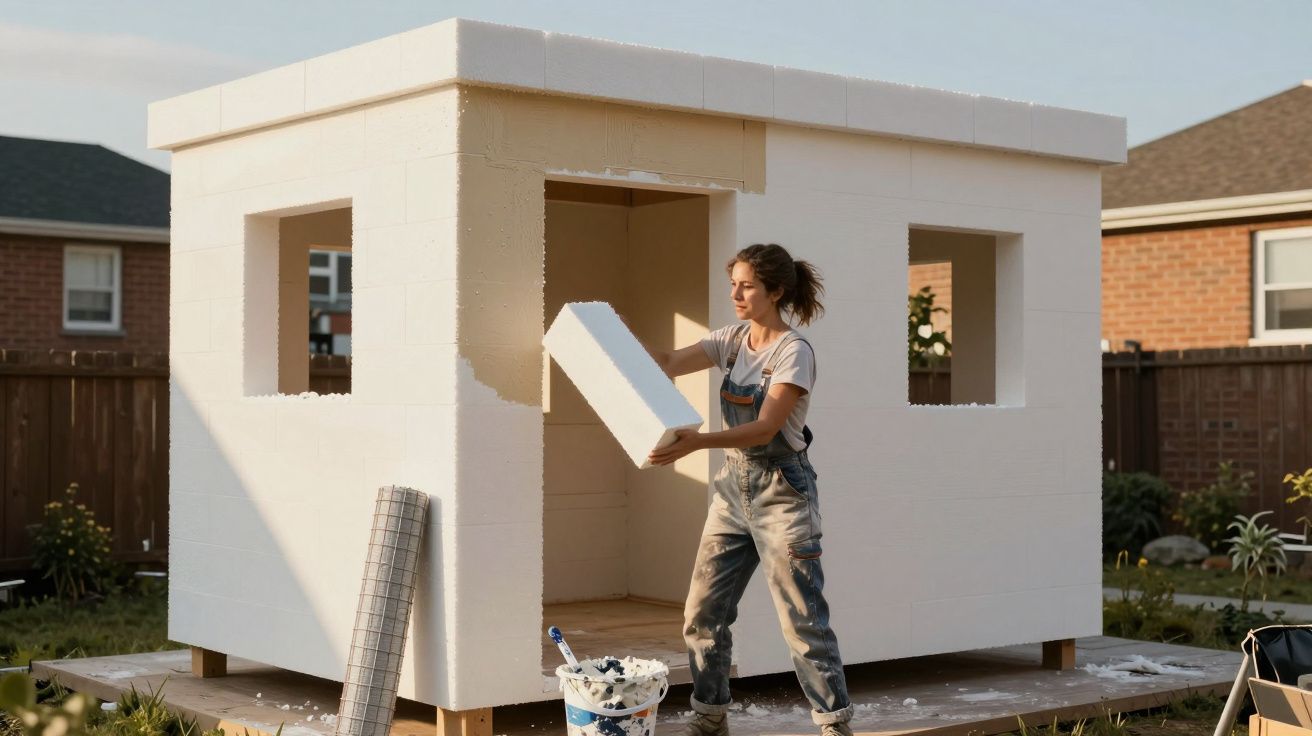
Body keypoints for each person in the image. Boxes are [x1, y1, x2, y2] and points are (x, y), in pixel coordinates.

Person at [645, 243, 853, 736]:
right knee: (702, 614)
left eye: (747, 286)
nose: (735, 293)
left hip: (783, 491)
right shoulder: (732, 340)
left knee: (802, 621)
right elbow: (670, 361)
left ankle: (833, 724)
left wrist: (698, 443)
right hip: (732, 492)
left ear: (775, 291)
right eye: (733, 283)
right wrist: (607, 338)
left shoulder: (793, 353)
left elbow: (764, 428)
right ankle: (710, 717)